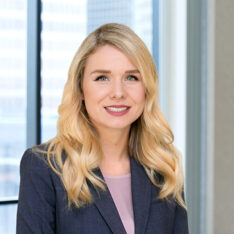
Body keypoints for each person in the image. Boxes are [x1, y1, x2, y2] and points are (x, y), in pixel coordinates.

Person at [17, 23, 189, 234]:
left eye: (131, 77)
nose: (118, 92)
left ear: (147, 88)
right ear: (80, 88)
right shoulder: (44, 167)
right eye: (102, 78)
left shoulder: (164, 167)